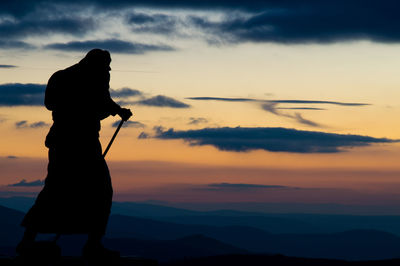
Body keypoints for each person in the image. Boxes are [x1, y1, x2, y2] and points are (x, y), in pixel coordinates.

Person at [17, 49, 132, 259]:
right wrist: (101, 107)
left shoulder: (72, 77)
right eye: (105, 67)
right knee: (87, 190)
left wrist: (117, 110)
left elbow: (103, 101)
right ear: (94, 65)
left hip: (78, 143)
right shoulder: (71, 78)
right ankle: (90, 245)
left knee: (73, 190)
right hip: (72, 144)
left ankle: (88, 244)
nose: (108, 71)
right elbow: (59, 104)